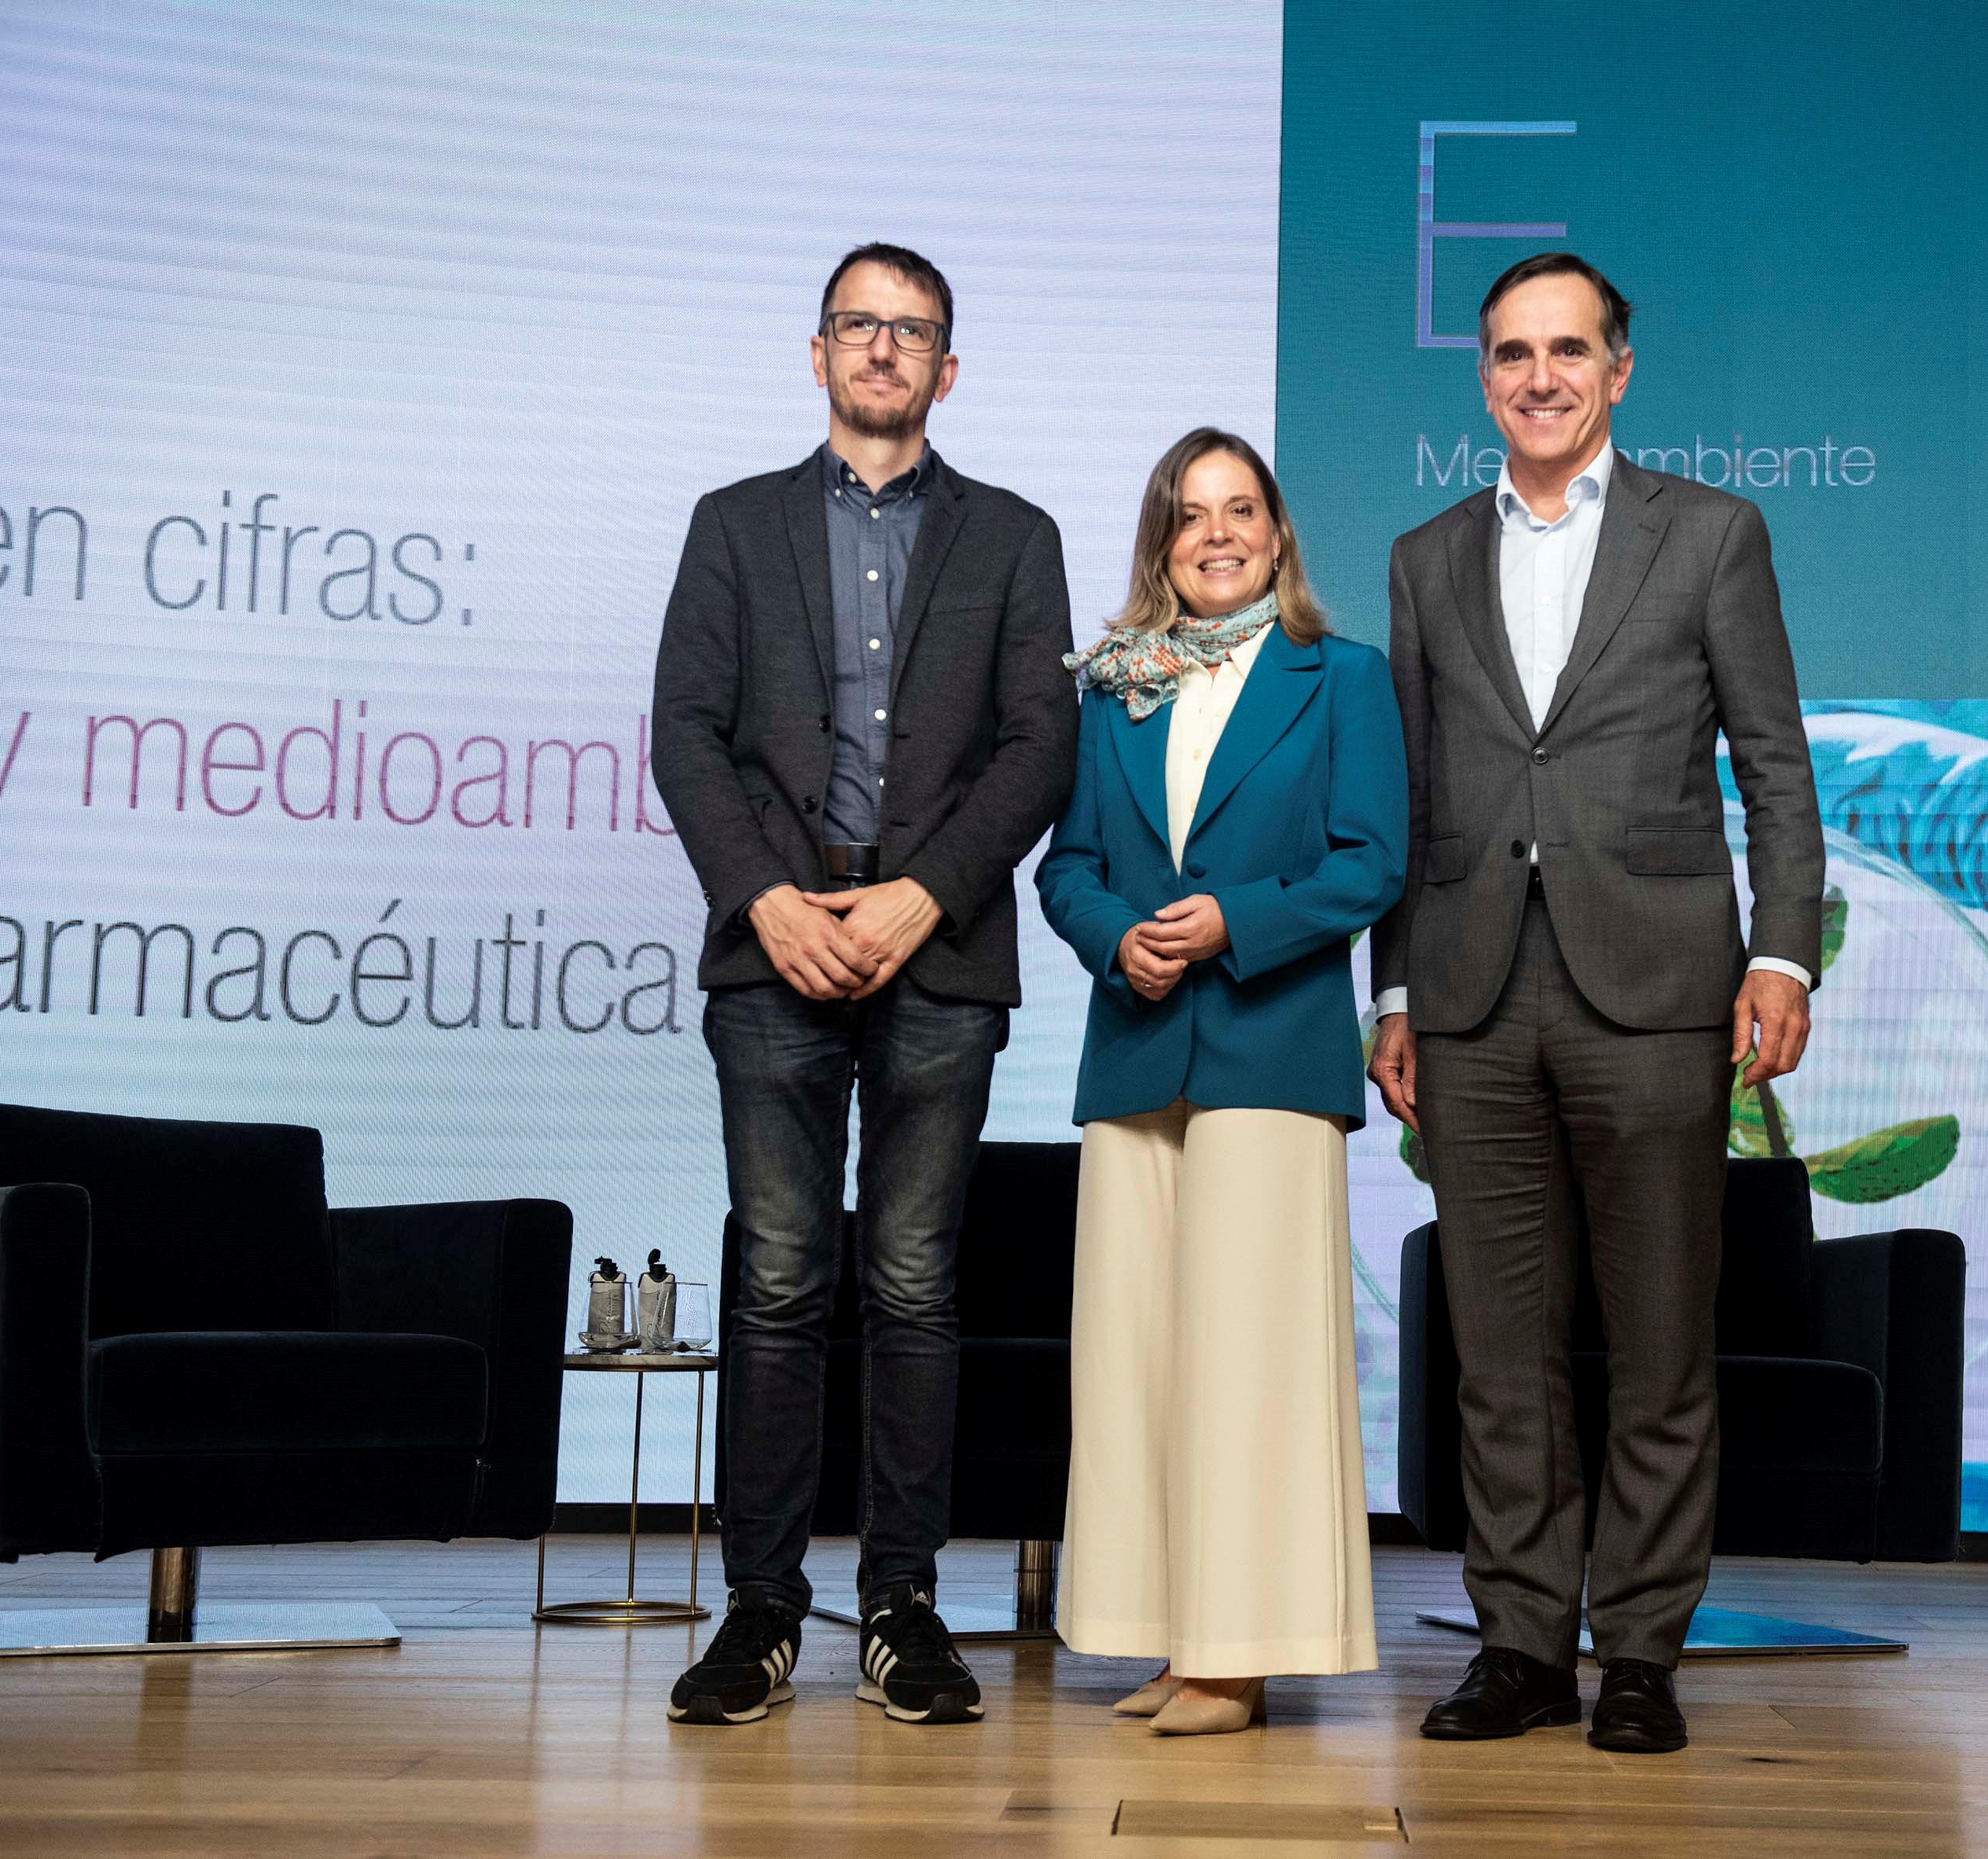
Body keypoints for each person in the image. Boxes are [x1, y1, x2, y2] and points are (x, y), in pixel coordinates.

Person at [1365, 253, 1825, 1756]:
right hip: (1472, 995)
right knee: (1499, 1353)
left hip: (1660, 992)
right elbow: (1415, 792)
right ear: (1481, 379)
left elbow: (1772, 762)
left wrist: (1781, 955)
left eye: (1568, 350)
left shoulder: (1711, 535)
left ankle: (1636, 1653)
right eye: (1511, 354)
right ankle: (1514, 1645)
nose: (1539, 377)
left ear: (1618, 370)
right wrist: (1392, 993)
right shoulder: (1425, 556)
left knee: (1657, 1345)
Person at [649, 242, 1078, 1729]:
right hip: (769, 951)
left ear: (946, 369)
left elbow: (1038, 746)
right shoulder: (732, 525)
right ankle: (761, 1606)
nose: (884, 351)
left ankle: (900, 1603)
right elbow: (686, 736)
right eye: (860, 326)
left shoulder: (1016, 537)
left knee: (911, 1282)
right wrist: (773, 899)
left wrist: (920, 892)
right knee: (775, 1283)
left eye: (913, 333)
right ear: (816, 350)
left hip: (938, 950)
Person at [1036, 428, 1405, 1737]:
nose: (1215, 533)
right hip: (1136, 1045)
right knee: (1136, 1361)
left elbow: (1370, 865)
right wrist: (1110, 936)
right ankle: (1165, 1633)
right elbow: (1066, 865)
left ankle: (1240, 1654)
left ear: (1278, 532)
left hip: (1268, 1043)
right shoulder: (1113, 688)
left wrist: (1225, 921)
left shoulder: (1340, 678)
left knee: (1247, 1362)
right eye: (1189, 516)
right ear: (1161, 542)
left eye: (1238, 509)